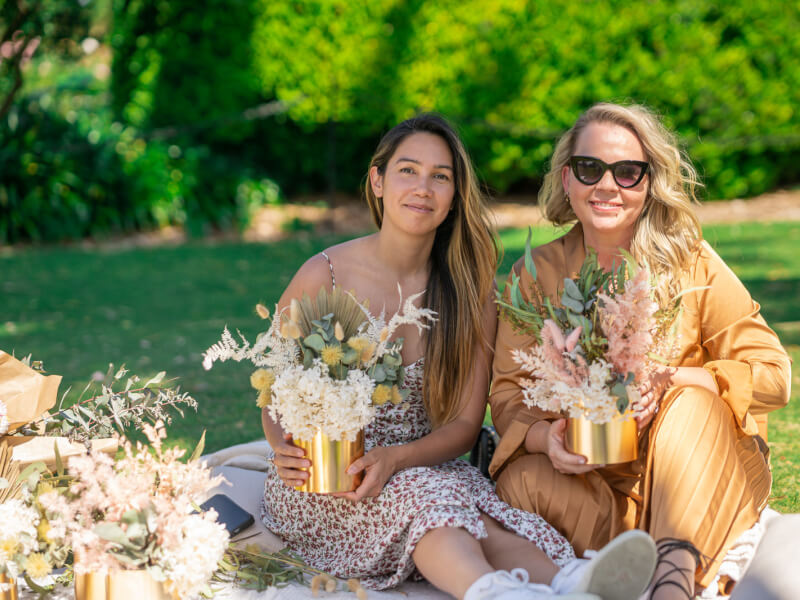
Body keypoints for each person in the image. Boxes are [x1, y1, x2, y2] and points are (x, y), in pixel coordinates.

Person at [260, 114, 658, 600]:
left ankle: (572, 581)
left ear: (453, 196)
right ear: (377, 180)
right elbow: (272, 387)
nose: (423, 188)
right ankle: (493, 592)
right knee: (429, 499)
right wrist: (282, 448)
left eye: (440, 176)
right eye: (407, 170)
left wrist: (397, 459)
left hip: (419, 462)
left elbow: (465, 428)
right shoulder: (324, 275)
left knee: (481, 510)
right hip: (332, 485)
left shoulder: (470, 293)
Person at [488, 103, 792, 600]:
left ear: (649, 183)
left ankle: (673, 576)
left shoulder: (690, 261)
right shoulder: (536, 274)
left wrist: (680, 379)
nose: (606, 186)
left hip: (694, 468)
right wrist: (548, 440)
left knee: (692, 402)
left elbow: (774, 376)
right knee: (520, 478)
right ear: (567, 180)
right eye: (590, 169)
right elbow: (506, 398)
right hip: (592, 489)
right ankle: (625, 569)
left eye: (628, 172)